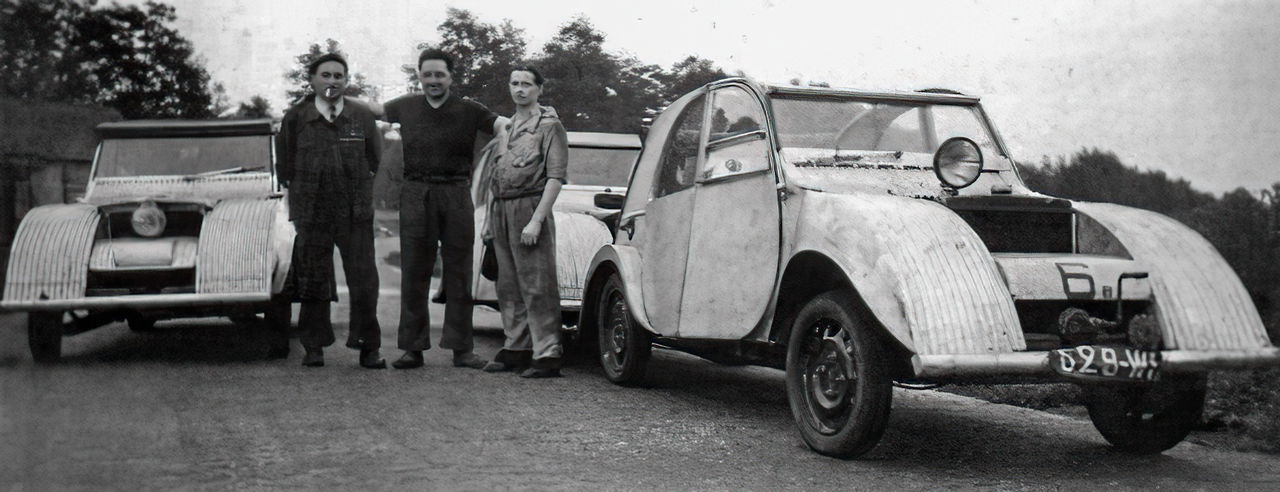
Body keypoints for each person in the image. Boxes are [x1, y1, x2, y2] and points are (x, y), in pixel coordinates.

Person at [383, 49, 508, 370]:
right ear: (419, 76)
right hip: (415, 192)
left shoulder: (469, 109)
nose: (433, 81)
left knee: (459, 272)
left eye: (440, 75)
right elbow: (370, 111)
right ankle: (412, 348)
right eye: (428, 75)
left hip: (455, 192)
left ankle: (462, 349)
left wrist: (505, 146)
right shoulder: (405, 106)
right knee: (414, 271)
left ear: (452, 77)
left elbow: (500, 126)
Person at [275, 53, 385, 369]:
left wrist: (360, 195)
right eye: (326, 75)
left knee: (364, 280)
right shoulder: (296, 117)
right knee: (313, 278)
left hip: (354, 211)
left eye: (339, 76)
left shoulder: (362, 116)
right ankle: (314, 347)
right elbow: (285, 164)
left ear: (346, 81)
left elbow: (375, 160)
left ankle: (368, 347)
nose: (332, 81)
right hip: (312, 211)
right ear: (312, 80)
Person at [481, 67, 567, 378]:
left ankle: (547, 353)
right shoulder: (506, 127)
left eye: (527, 84)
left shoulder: (550, 126)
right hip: (502, 208)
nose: (520, 89)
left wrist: (536, 220)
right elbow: (496, 175)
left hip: (530, 205)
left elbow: (556, 178)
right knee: (508, 285)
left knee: (537, 284)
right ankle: (516, 347)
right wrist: (490, 221)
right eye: (515, 83)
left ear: (539, 89)